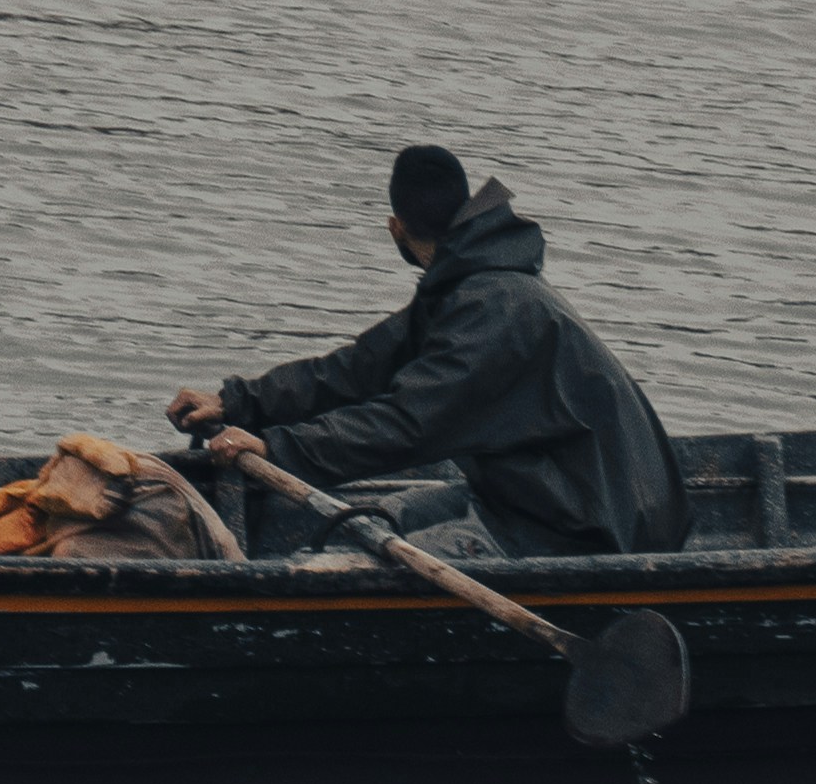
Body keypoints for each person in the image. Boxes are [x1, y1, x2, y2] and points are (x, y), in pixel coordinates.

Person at [167, 146, 690, 559]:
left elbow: (408, 424)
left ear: (395, 228)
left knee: (346, 564)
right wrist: (238, 403)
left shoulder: (493, 309)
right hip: (533, 497)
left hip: (583, 526)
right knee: (357, 529)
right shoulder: (470, 287)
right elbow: (358, 369)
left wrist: (277, 450)